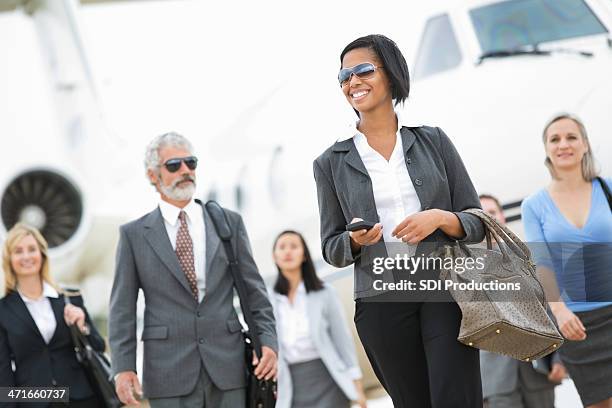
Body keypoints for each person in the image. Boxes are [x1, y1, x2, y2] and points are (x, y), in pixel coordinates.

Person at [313, 34, 485, 407]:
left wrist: (439, 218)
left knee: (456, 395)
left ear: (390, 74)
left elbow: (477, 221)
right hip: (381, 299)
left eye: (363, 70)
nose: (352, 81)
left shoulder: (433, 141)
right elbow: (331, 247)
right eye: (344, 76)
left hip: (444, 287)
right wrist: (355, 241)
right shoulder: (330, 163)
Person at [108, 132, 277, 407]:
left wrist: (268, 341)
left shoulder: (228, 224)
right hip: (167, 372)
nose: (185, 170)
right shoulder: (134, 235)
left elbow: (254, 292)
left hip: (229, 365)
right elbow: (122, 310)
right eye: (174, 165)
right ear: (153, 176)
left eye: (191, 163)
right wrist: (123, 367)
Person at [521, 113, 612, 408]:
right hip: (577, 324)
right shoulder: (534, 205)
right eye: (555, 139)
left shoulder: (608, 188)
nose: (564, 144)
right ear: (546, 148)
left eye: (571, 137)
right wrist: (559, 312)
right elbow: (542, 263)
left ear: (585, 144)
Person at [0, 223, 105, 407]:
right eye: (18, 251)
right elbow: (3, 371)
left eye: (32, 249)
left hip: (81, 398)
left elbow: (99, 346)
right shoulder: (3, 310)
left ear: (42, 254)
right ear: (9, 259)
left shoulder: (70, 298)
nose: (26, 256)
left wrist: (82, 326)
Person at [479, 194, 566, 408]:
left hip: (538, 374)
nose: (488, 218)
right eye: (481, 214)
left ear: (502, 217)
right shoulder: (462, 271)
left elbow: (554, 311)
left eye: (492, 212)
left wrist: (558, 359)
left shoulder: (532, 260)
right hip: (495, 382)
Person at [268, 230, 367, 408]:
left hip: (328, 379)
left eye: (294, 246)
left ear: (304, 255)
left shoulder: (324, 293)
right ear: (274, 256)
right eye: (282, 247)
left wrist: (357, 387)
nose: (288, 252)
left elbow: (342, 340)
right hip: (289, 385)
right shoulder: (267, 300)